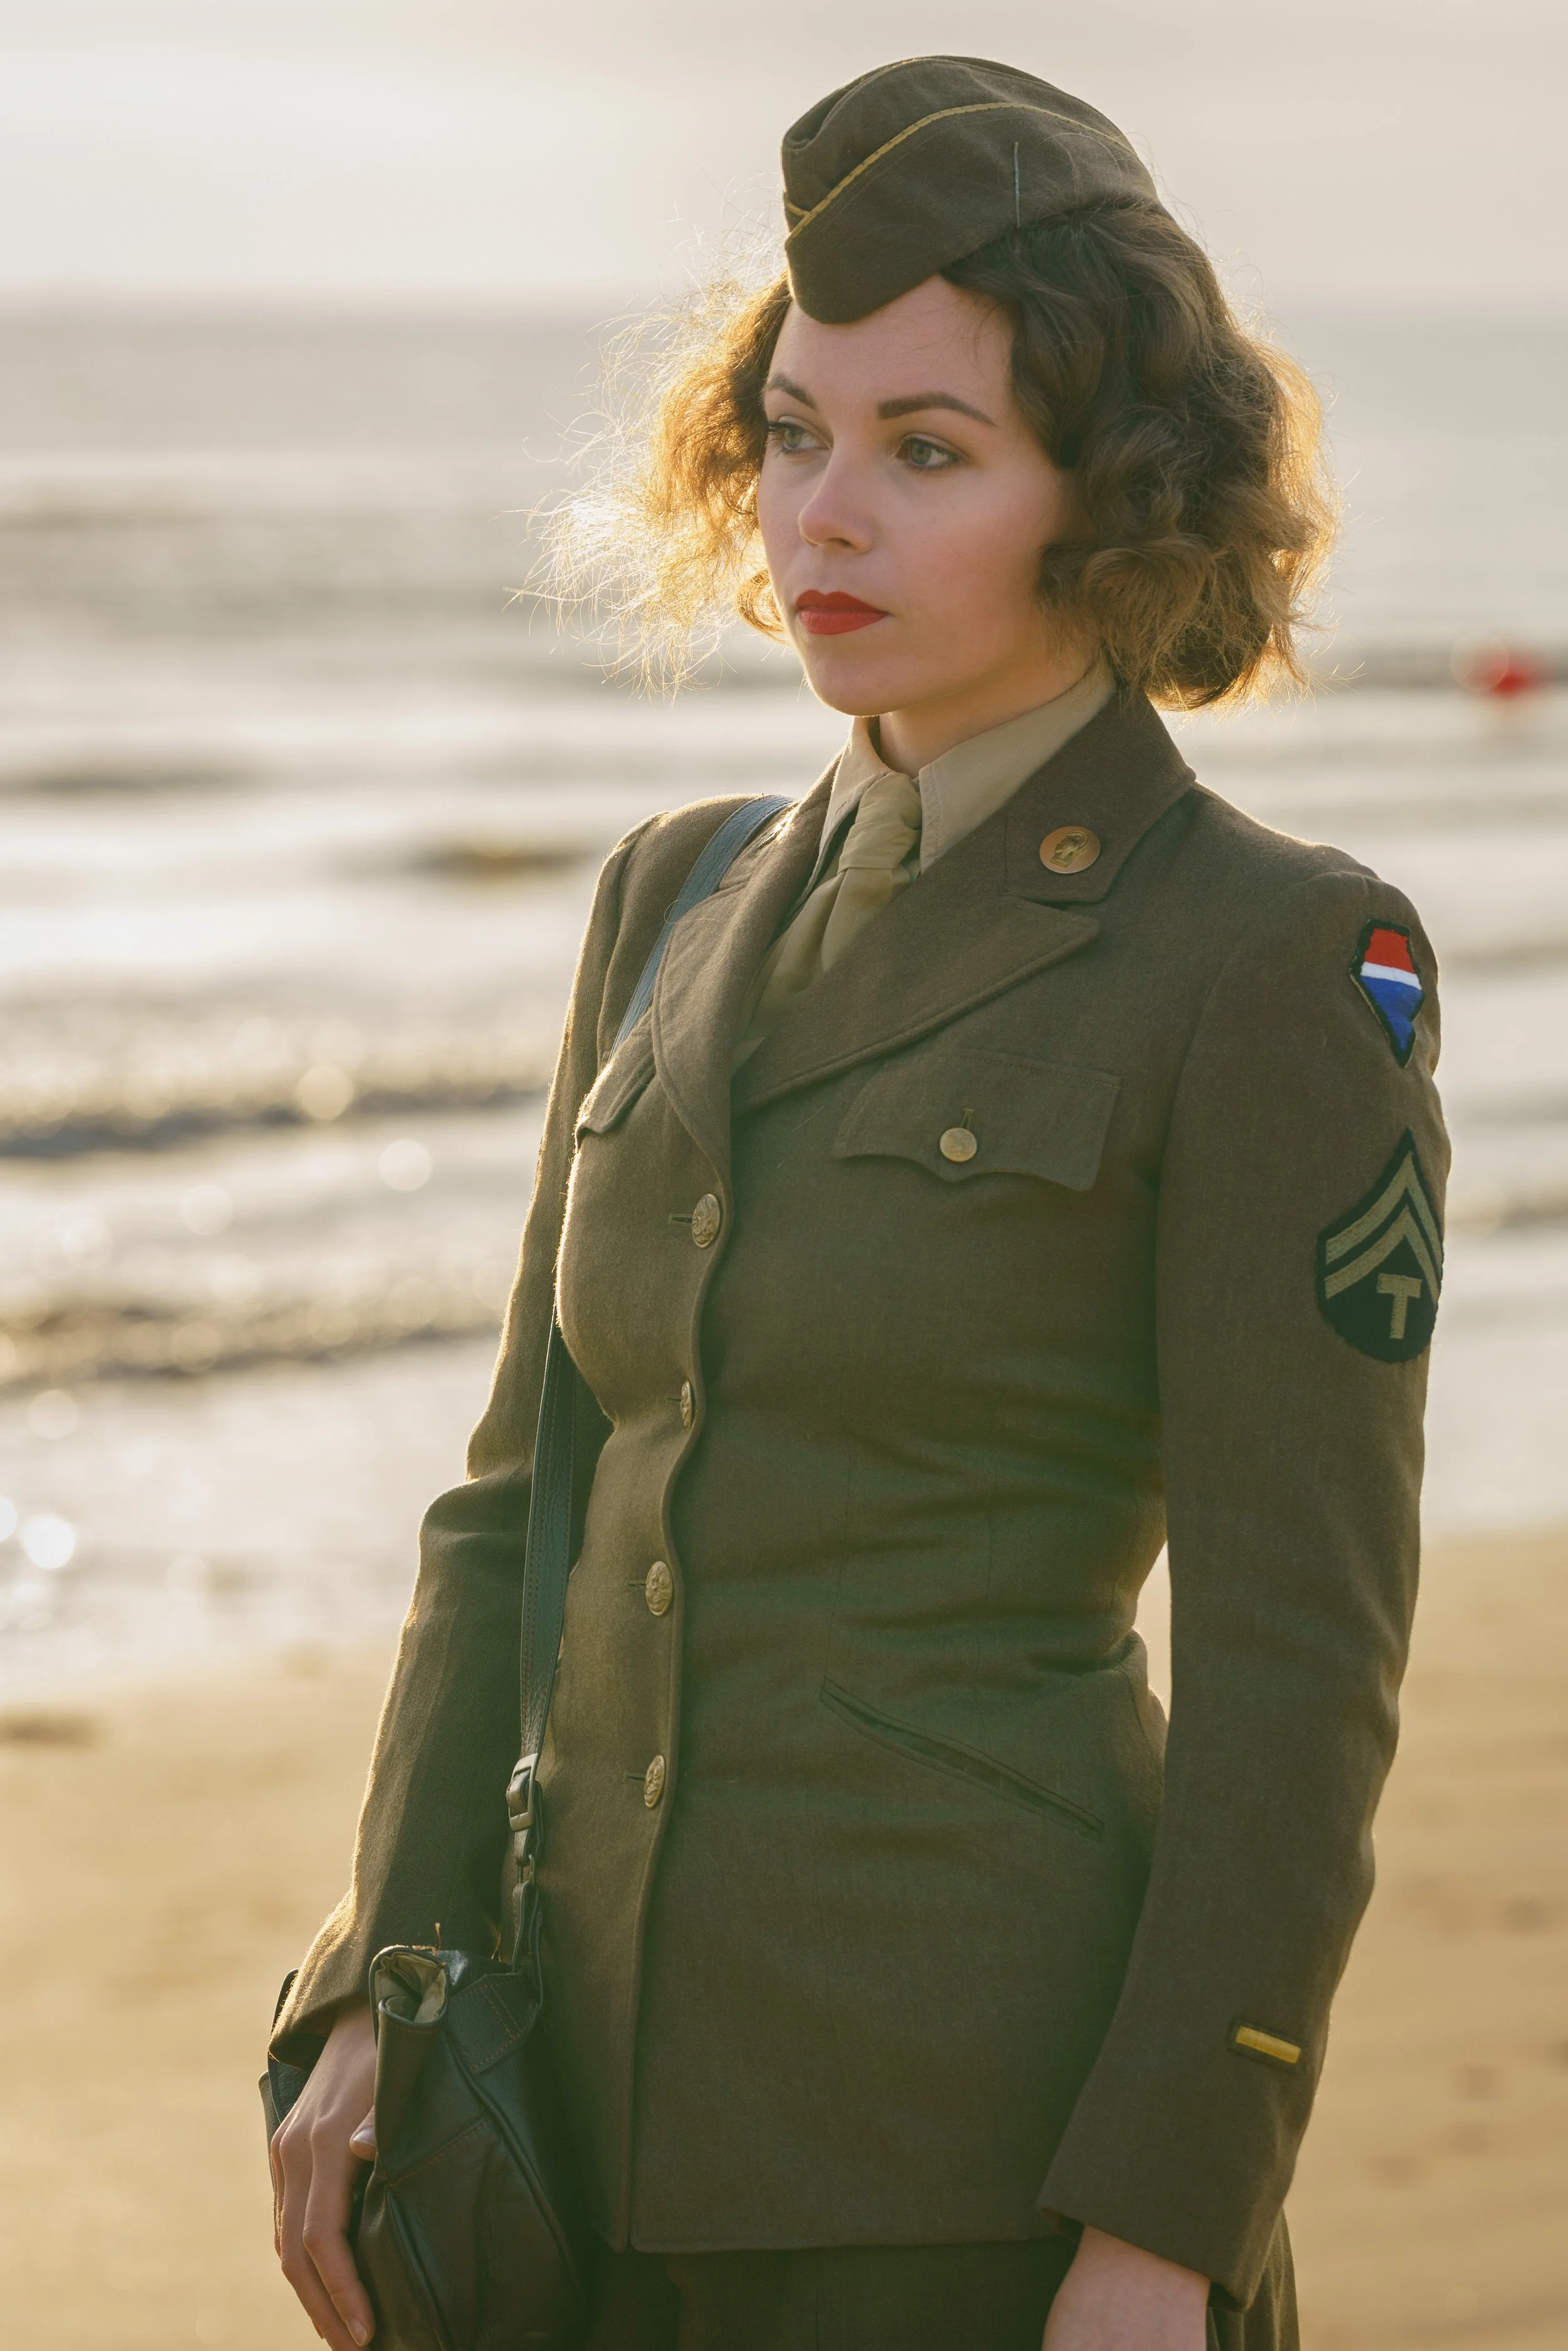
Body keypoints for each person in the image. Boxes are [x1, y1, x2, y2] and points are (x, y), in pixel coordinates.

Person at [269, 55, 1448, 2351]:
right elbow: (517, 1499)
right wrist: (374, 1988)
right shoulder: (673, 892)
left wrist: (1166, 2222)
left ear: (1110, 501)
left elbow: (1300, 1675)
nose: (826, 517)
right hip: (564, 2144)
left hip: (970, 2168)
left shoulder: (1274, 959)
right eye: (795, 434)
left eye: (928, 450)